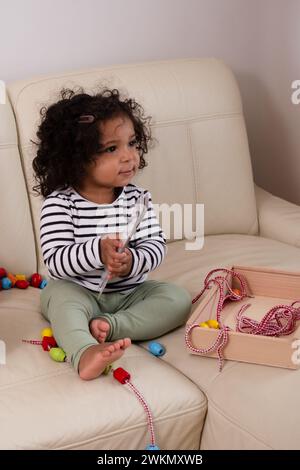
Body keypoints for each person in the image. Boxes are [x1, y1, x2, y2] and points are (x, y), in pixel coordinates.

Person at [32, 88, 191, 380]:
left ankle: (110, 325)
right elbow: (55, 261)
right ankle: (83, 352)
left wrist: (132, 260)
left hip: (129, 293)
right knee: (58, 296)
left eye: (132, 143)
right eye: (111, 149)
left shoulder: (137, 198)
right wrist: (97, 251)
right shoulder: (60, 203)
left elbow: (155, 244)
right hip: (78, 291)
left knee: (178, 298)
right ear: (76, 158)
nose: (129, 156)